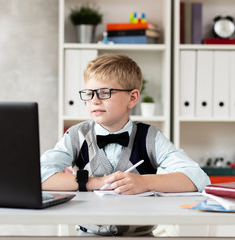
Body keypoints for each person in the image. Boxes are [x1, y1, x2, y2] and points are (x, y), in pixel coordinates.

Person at [40, 53, 210, 236]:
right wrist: (95, 182)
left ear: (132, 98)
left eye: (105, 92)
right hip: (89, 235)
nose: (94, 100)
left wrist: (143, 182)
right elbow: (39, 175)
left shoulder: (150, 137)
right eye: (89, 94)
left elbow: (198, 178)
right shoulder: (76, 135)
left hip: (141, 236)